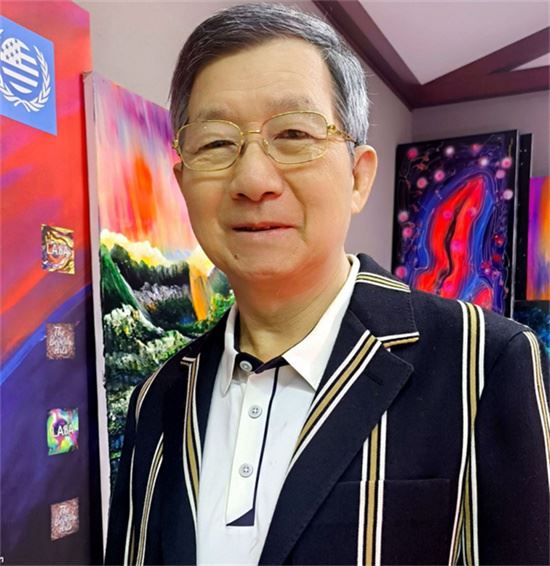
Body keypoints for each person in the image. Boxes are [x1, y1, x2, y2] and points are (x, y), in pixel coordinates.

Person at [105, 3, 550, 565]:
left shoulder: (485, 362)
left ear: (359, 176)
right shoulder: (157, 396)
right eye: (216, 143)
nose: (253, 180)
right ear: (183, 180)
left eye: (293, 133)